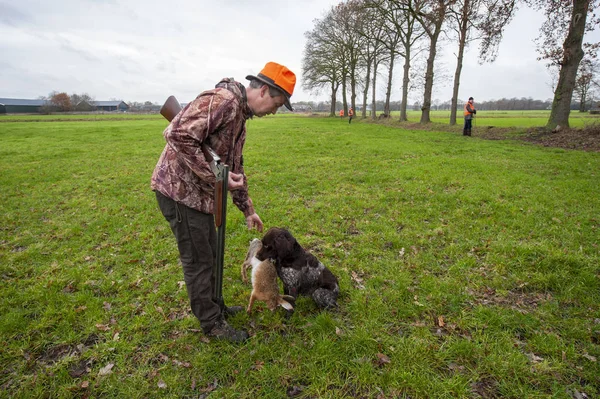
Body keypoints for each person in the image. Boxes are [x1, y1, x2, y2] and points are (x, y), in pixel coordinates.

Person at [151, 61, 296, 343]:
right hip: (179, 193)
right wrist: (214, 177)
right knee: (199, 261)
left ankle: (216, 307)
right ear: (264, 90)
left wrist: (248, 210)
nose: (275, 112)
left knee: (212, 255)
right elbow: (177, 135)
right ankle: (211, 324)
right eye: (277, 104)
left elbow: (233, 169)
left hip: (200, 194)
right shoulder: (223, 101)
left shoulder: (239, 117)